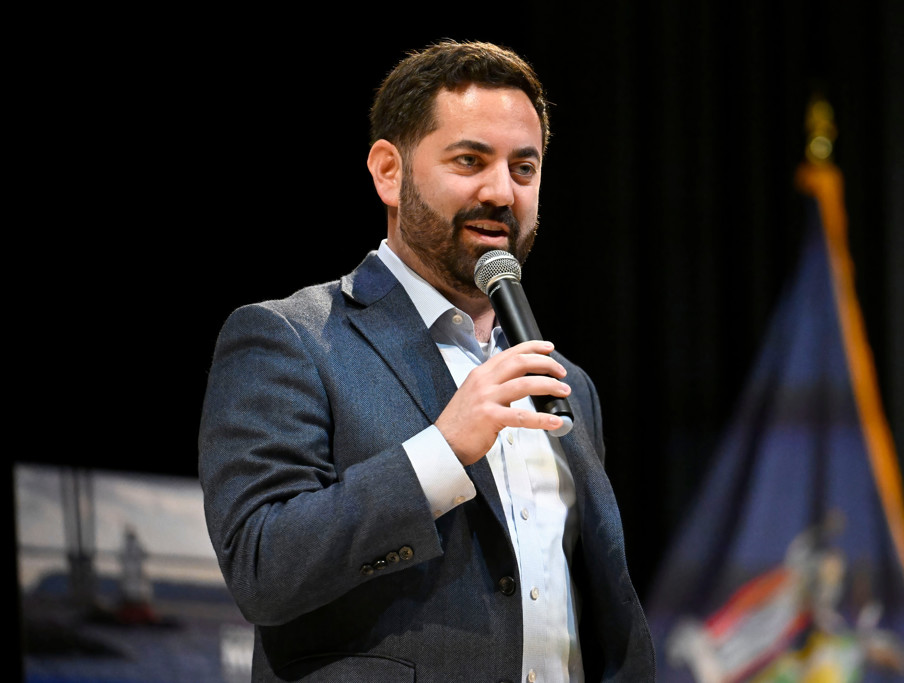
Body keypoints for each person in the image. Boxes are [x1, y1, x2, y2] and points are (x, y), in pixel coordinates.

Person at [198, 40, 655, 682]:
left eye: (524, 168)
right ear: (389, 172)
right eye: (470, 160)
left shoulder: (567, 384)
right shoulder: (291, 338)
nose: (501, 191)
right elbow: (261, 568)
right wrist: (441, 452)